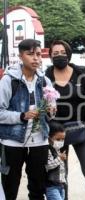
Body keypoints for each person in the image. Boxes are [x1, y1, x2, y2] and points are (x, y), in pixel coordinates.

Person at [0, 39, 55, 200]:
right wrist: (22, 116)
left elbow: (50, 110)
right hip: (12, 141)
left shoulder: (45, 80)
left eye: (38, 54)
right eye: (30, 54)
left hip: (40, 141)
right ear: (20, 56)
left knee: (38, 188)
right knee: (9, 187)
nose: (36, 58)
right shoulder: (9, 80)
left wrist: (51, 111)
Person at [45, 40, 85, 200]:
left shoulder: (80, 74)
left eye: (63, 53)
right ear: (50, 56)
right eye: (55, 53)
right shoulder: (45, 77)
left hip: (81, 129)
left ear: (68, 54)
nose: (59, 56)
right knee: (61, 174)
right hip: (57, 133)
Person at [46, 121, 67, 200]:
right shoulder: (48, 150)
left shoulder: (58, 150)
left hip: (61, 186)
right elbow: (47, 166)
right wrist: (59, 159)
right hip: (51, 187)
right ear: (49, 138)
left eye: (63, 139)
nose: (61, 142)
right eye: (58, 139)